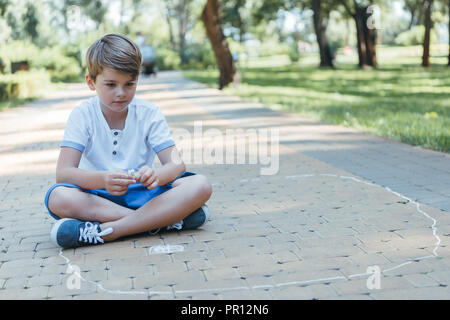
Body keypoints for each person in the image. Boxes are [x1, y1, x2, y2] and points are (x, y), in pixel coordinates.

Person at [45, 34, 212, 249]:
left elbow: (177, 164)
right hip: (98, 199)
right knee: (58, 196)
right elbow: (64, 173)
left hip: (145, 195)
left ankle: (109, 232)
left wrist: (156, 176)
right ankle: (162, 220)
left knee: (200, 185)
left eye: (129, 84)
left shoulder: (149, 113)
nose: (121, 93)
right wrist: (103, 180)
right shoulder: (82, 115)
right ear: (91, 82)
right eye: (111, 84)